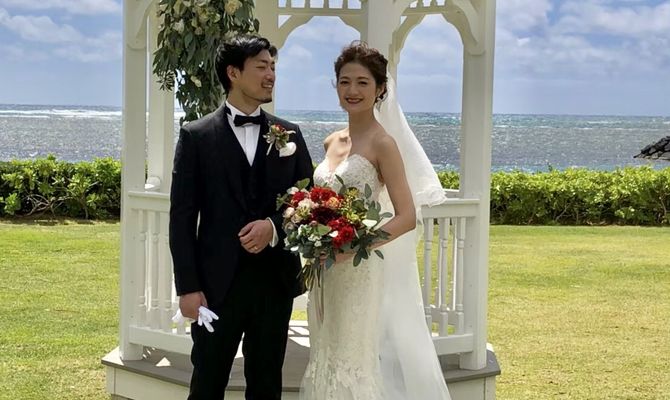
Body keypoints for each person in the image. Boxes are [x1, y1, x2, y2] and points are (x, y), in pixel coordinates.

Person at [300, 42, 452, 399]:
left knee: (352, 358)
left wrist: (352, 247)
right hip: (324, 269)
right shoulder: (331, 141)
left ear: (380, 88)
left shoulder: (384, 143)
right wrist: (309, 228)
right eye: (344, 82)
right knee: (324, 353)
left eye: (362, 82)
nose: (352, 90)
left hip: (359, 269)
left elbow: (407, 216)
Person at [169, 34, 314, 400]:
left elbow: (308, 201)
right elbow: (182, 219)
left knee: (267, 385)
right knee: (207, 383)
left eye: (273, 67)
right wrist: (188, 288)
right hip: (215, 287)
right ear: (233, 73)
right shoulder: (196, 136)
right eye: (262, 66)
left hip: (273, 285)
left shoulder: (290, 135)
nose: (271, 75)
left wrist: (273, 227)